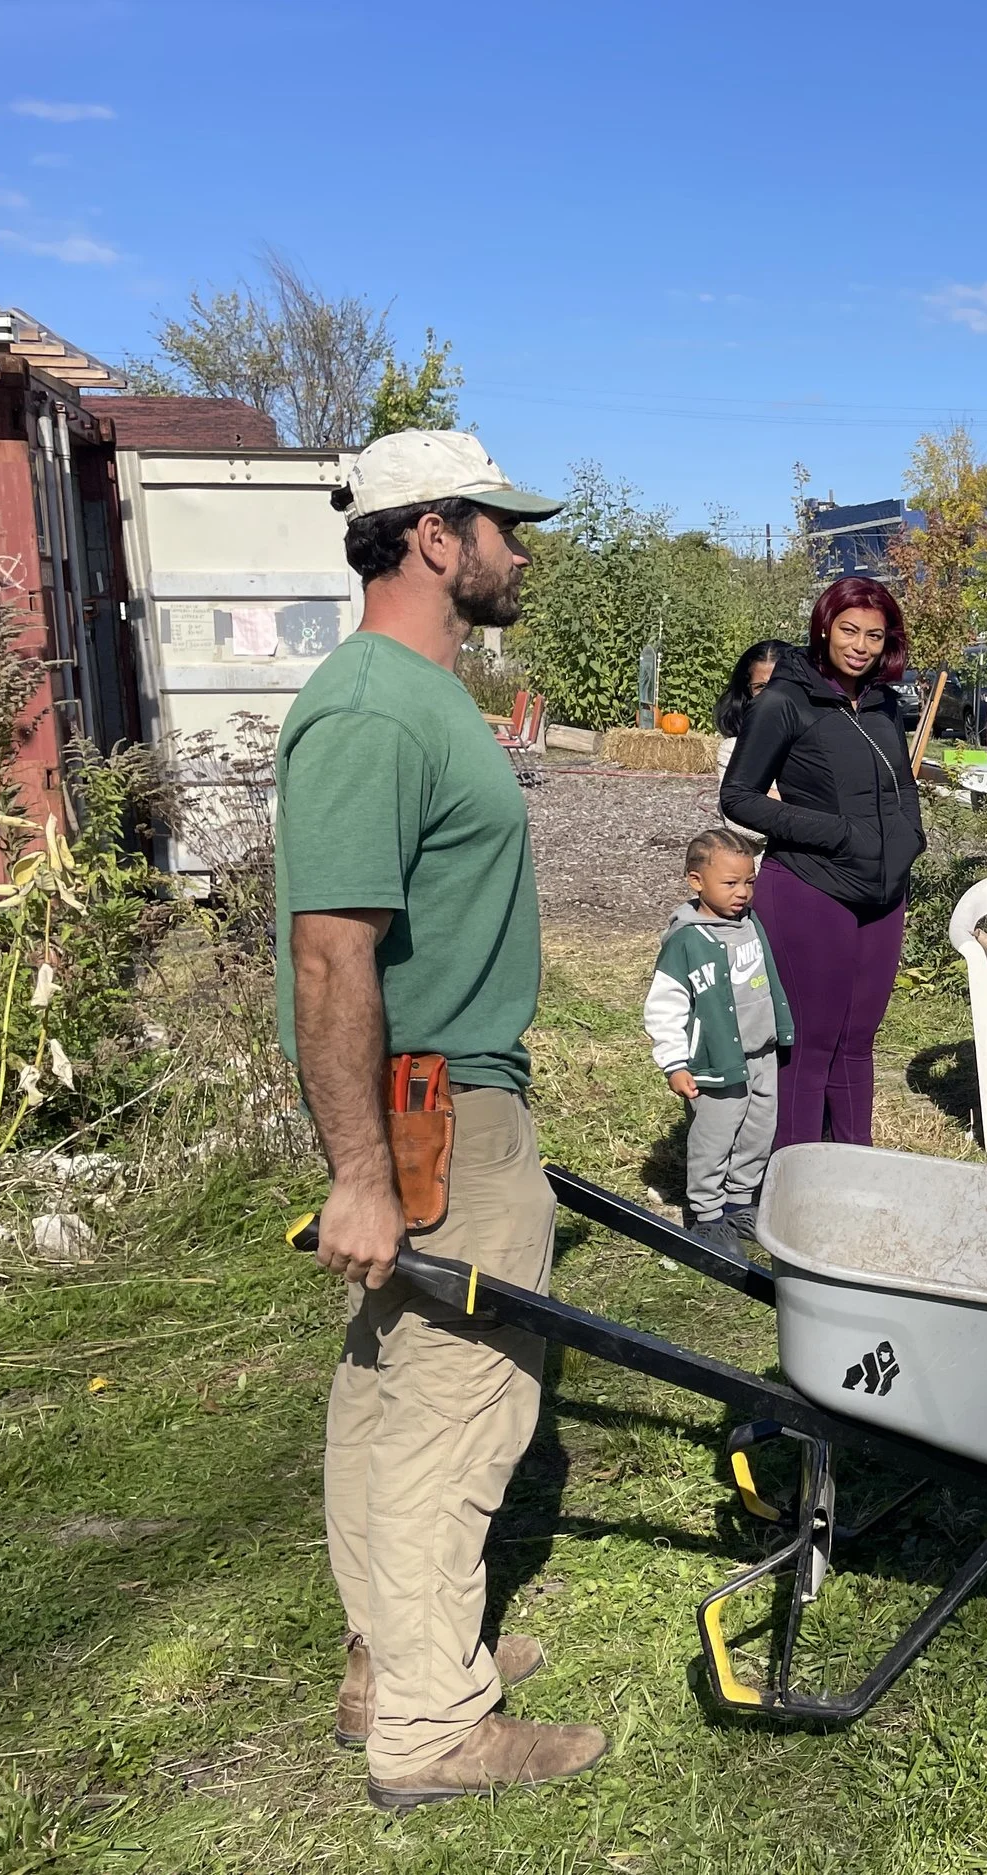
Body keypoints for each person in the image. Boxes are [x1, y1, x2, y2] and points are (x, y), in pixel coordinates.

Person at [276, 430, 603, 1808]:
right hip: (436, 1116)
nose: (520, 549)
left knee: (392, 1383)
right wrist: (362, 1169)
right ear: (430, 534)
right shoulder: (373, 709)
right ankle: (430, 1719)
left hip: (447, 1103)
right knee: (459, 1407)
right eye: (501, 526)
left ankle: (393, 1657)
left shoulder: (419, 697)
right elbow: (330, 951)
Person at [719, 576, 924, 1149]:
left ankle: (853, 1176)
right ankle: (792, 1192)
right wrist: (836, 832)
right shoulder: (785, 700)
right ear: (825, 629)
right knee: (811, 1047)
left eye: (874, 636)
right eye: (849, 630)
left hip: (882, 893)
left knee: (858, 1044)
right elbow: (738, 797)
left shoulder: (883, 703)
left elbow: (901, 783)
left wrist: (911, 837)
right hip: (812, 889)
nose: (860, 645)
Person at [644, 828, 795, 1244]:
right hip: (716, 1060)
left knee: (757, 1132)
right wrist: (673, 1063)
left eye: (749, 881)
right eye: (730, 883)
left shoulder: (750, 924)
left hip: (761, 1054)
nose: (742, 892)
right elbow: (664, 1007)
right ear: (696, 881)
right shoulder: (688, 941)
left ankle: (740, 1203)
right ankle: (706, 1214)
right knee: (714, 1137)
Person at [714, 637, 794, 785]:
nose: (772, 694)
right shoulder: (734, 749)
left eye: (781, 684)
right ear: (747, 692)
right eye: (761, 687)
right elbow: (738, 801)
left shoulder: (819, 741)